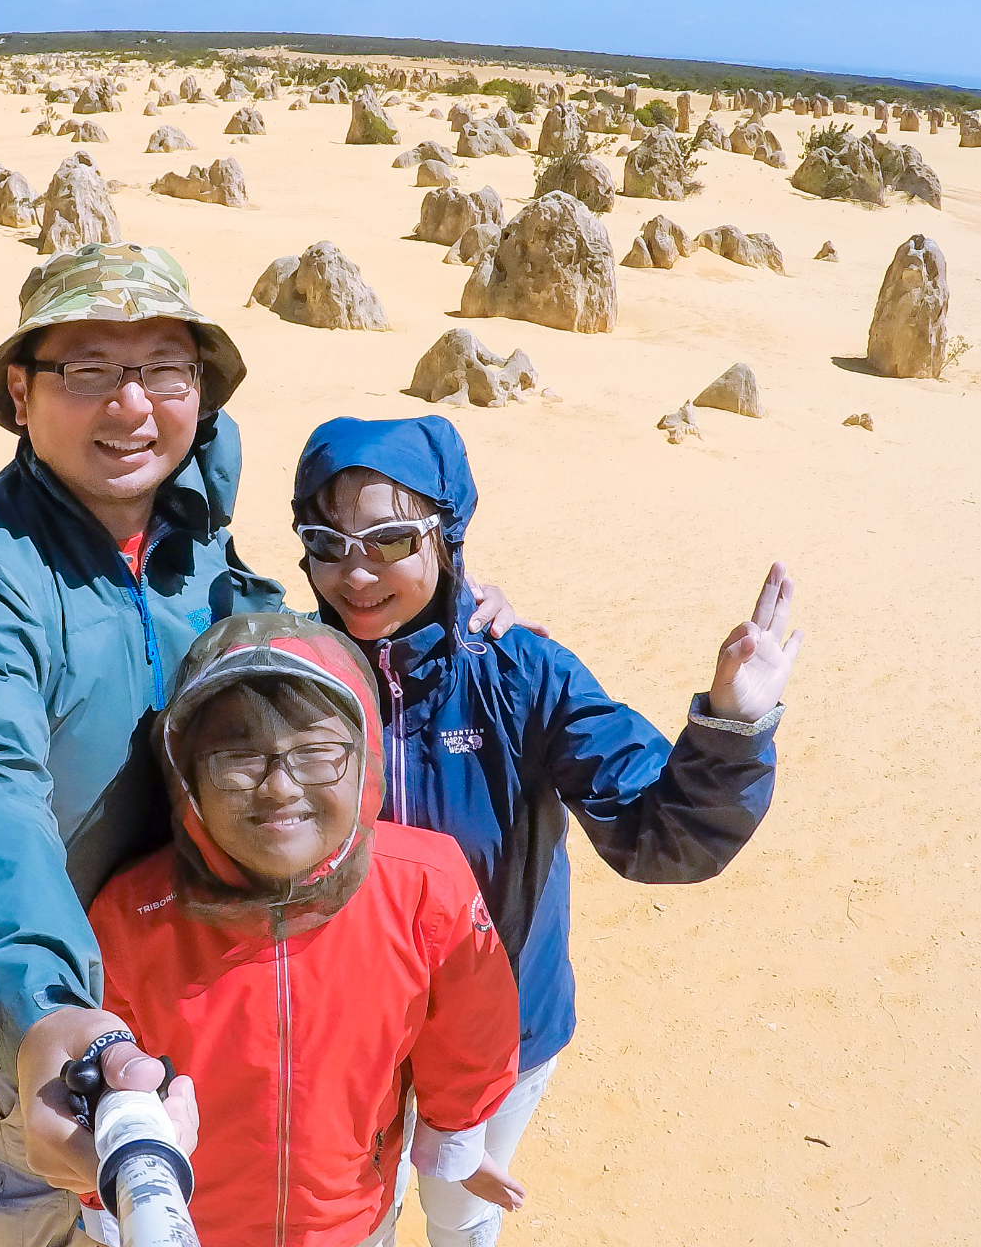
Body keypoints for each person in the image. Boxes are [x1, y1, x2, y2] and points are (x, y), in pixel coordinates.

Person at [0, 244, 530, 1247]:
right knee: (22, 1211)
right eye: (87, 371)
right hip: (47, 1012)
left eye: (162, 369)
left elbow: (276, 659)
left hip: (207, 978)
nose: (130, 407)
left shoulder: (191, 532)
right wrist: (49, 1014)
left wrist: (439, 612)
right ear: (20, 392)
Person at [286, 415, 800, 1247]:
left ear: (447, 537)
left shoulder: (521, 672)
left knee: (460, 1208)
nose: (356, 571)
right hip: (344, 1028)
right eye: (327, 541)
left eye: (389, 538)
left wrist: (731, 731)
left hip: (504, 1027)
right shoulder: (290, 676)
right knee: (351, 1215)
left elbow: (657, 832)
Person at [86, 611, 525, 1247]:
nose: (279, 787)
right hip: (189, 1228)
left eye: (318, 752)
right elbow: (100, 1082)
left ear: (366, 756)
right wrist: (110, 1200)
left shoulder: (423, 883)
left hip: (349, 1221)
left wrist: (455, 1132)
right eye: (238, 757)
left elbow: (471, 1030)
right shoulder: (134, 913)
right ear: (186, 776)